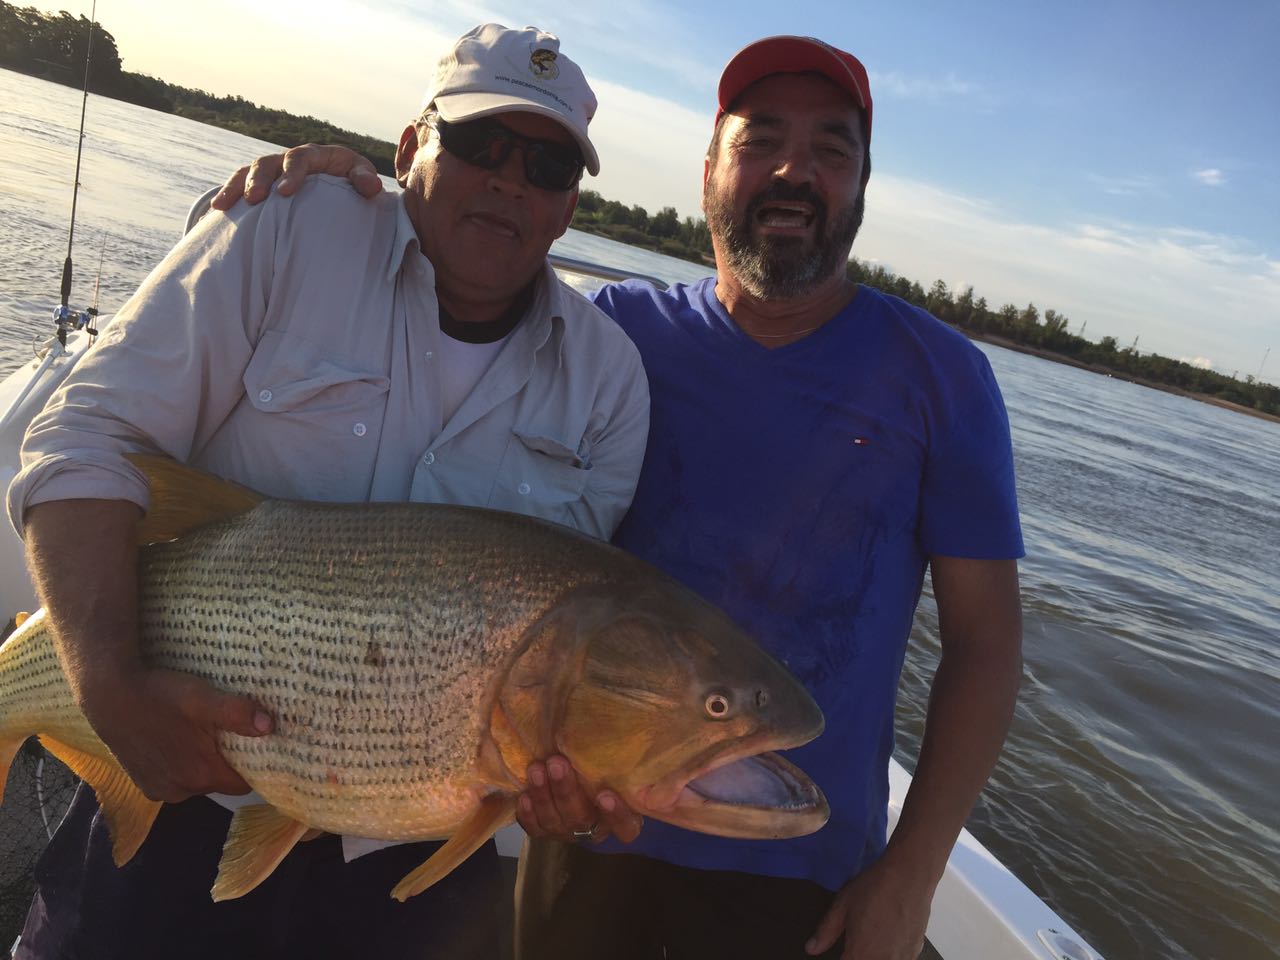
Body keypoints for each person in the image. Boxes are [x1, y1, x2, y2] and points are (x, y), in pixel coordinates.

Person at [213, 34, 1024, 960]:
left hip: (805, 875)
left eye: (832, 150)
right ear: (712, 167)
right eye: (761, 141)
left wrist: (913, 876)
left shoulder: (943, 379)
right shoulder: (615, 338)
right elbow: (462, 292)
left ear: (864, 185)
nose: (795, 169)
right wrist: (341, 198)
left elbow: (987, 645)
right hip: (584, 842)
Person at [6, 23, 649, 960]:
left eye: (547, 165)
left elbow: (567, 631)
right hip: (176, 764)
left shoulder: (609, 384)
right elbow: (84, 436)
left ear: (567, 209)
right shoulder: (285, 228)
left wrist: (579, 792)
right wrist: (110, 689)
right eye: (480, 144)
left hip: (416, 846)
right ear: (410, 147)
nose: (511, 178)